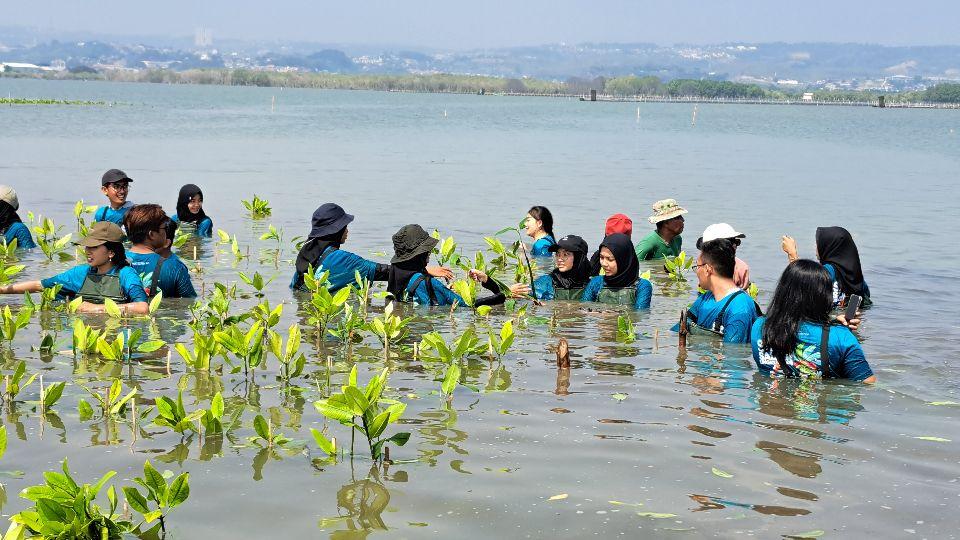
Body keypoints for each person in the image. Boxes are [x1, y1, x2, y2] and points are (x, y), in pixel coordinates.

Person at [752, 260, 875, 382]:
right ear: (824, 297)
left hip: (771, 398)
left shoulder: (759, 327)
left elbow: (797, 326)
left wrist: (832, 324)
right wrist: (839, 331)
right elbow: (867, 384)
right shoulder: (842, 338)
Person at [291, 203, 450, 292]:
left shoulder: (306, 252)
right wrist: (422, 270)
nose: (347, 230)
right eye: (344, 226)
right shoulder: (342, 259)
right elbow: (381, 271)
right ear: (336, 230)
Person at [0, 221, 148, 314]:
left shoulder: (126, 274)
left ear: (111, 252)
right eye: (87, 246)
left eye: (94, 247)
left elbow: (142, 308)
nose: (87, 251)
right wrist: (3, 290)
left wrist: (97, 309)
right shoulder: (80, 273)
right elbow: (39, 285)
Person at [387, 224, 504, 307]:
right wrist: (501, 294)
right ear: (420, 255)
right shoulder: (428, 283)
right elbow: (467, 305)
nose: (430, 253)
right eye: (428, 251)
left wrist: (443, 291)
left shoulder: (395, 272)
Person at [680, 238, 761, 343]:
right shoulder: (706, 298)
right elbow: (681, 326)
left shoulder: (739, 308)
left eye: (697, 266)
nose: (696, 272)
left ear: (707, 269)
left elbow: (733, 354)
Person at [781, 226, 871, 307]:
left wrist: (792, 254)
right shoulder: (858, 280)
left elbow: (801, 283)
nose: (815, 247)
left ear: (829, 247)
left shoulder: (828, 270)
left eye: (818, 243)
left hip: (825, 323)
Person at [124, 204, 197, 298]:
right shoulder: (175, 267)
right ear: (151, 234)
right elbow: (189, 303)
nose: (165, 232)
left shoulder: (113, 262)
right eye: (163, 228)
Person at [582, 233, 653, 308]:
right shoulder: (596, 282)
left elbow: (640, 314)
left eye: (610, 259)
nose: (604, 264)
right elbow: (584, 307)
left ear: (624, 260)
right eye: (601, 257)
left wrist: (611, 314)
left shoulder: (642, 286)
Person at [514, 235, 593, 301]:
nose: (559, 259)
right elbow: (523, 294)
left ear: (579, 258)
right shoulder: (546, 282)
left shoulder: (593, 285)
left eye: (565, 254)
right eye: (558, 254)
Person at [697, 223, 750, 289]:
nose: (734, 245)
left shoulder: (741, 267)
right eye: (729, 242)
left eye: (736, 242)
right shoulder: (702, 264)